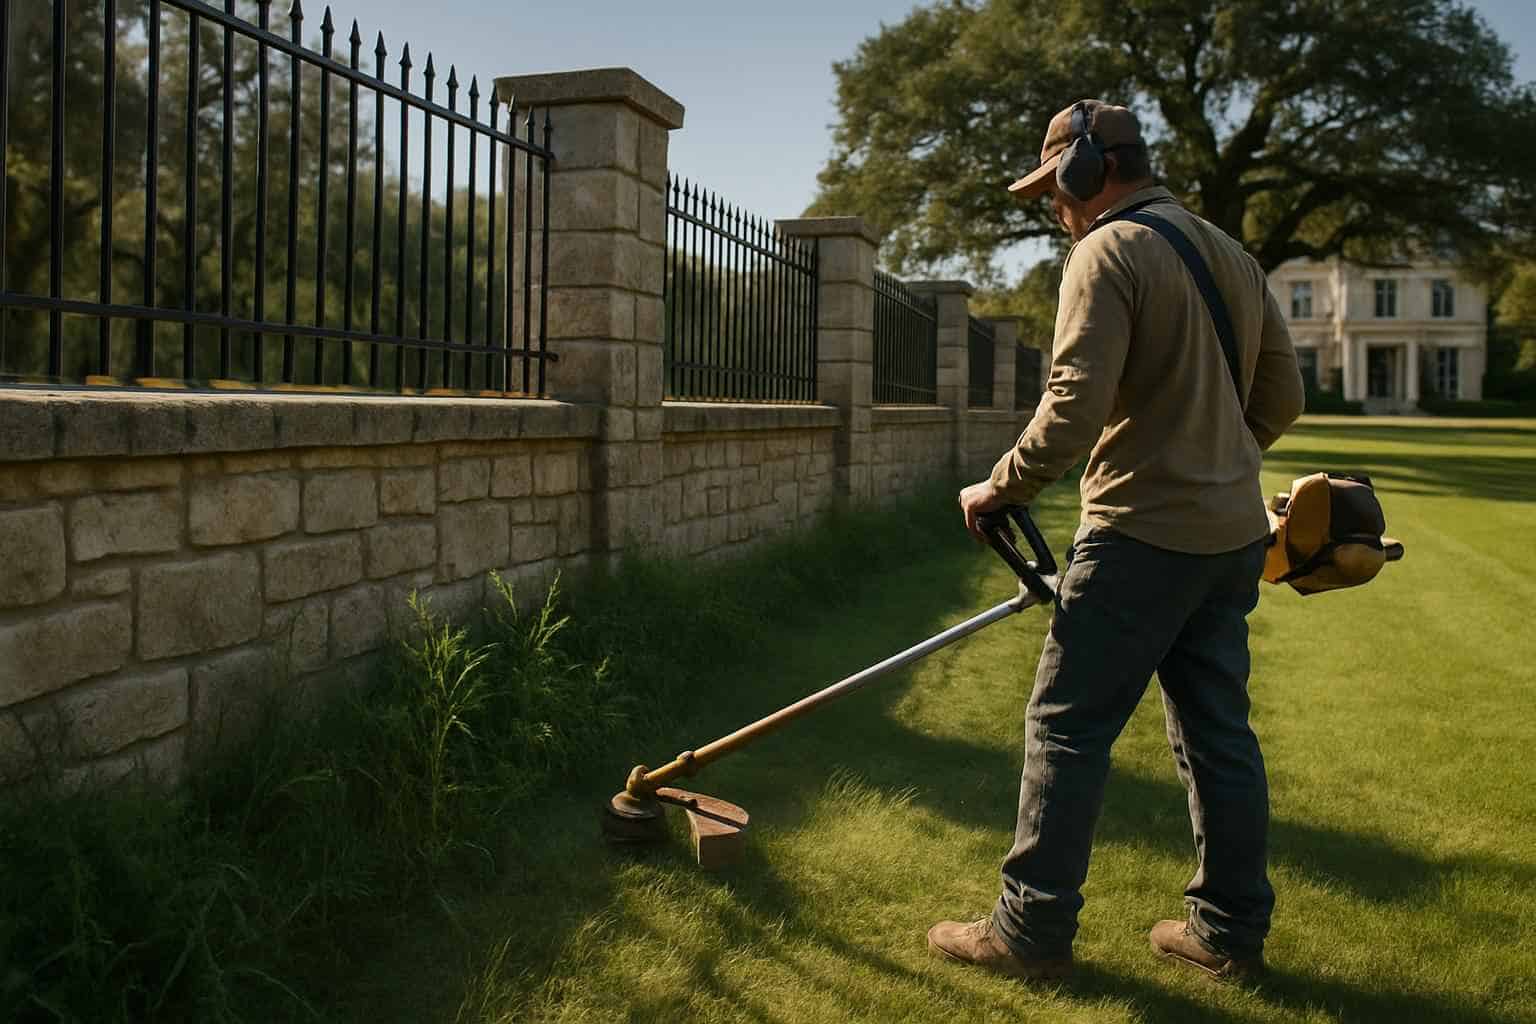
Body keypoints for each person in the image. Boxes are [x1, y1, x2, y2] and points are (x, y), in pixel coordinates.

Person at [927, 99, 1305, 982]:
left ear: (1083, 173)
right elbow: (1282, 396)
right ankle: (1228, 935)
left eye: (1052, 190)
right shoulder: (1233, 255)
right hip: (1230, 538)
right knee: (1219, 735)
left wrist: (1000, 485)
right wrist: (1218, 458)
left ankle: (1027, 932)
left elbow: (1072, 406)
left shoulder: (1106, 250)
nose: (1053, 210)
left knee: (1066, 728)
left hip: (1138, 535)